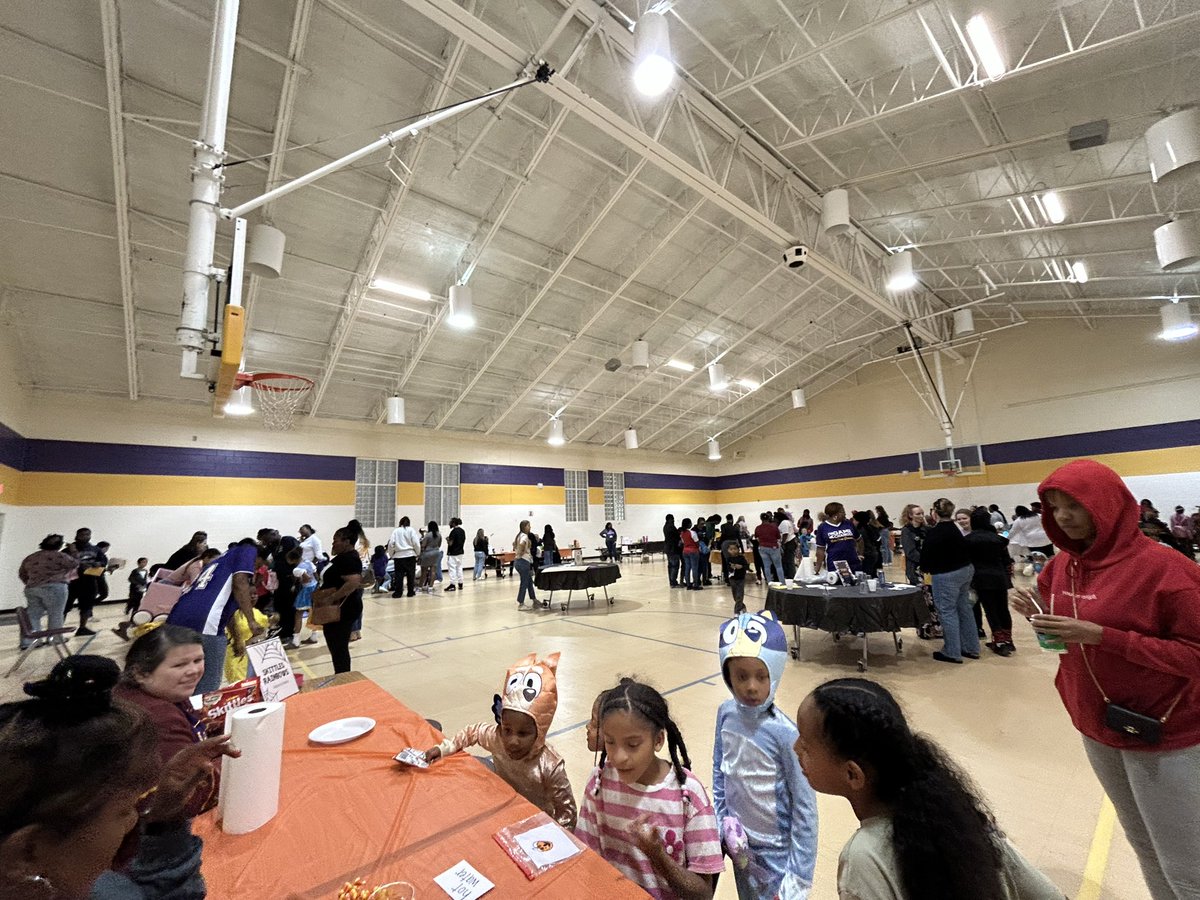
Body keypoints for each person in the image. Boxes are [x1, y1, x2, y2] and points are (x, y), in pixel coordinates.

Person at [1011, 460, 1200, 899]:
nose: (1063, 517)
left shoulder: (1167, 570)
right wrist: (1045, 625)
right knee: (1146, 850)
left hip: (1166, 732)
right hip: (1099, 725)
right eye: (1054, 507)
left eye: (1074, 505)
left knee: (1187, 866)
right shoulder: (1058, 569)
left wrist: (1104, 637)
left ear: (1108, 504)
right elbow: (1069, 643)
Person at [794, 678, 1064, 900]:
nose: (795, 749)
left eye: (805, 745)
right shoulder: (958, 814)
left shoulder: (864, 859)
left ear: (853, 774)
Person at [0, 655, 238, 900]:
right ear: (29, 850)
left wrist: (165, 818)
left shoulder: (89, 883)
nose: (134, 821)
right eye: (124, 810)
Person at [577, 678, 724, 899]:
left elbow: (703, 894)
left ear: (658, 740)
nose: (619, 757)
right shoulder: (600, 783)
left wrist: (657, 855)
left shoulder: (688, 796)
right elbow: (587, 860)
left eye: (633, 745)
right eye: (610, 742)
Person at [713, 612, 817, 898]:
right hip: (740, 846)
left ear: (776, 672)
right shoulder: (725, 714)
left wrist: (798, 878)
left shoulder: (785, 733)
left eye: (762, 676)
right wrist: (722, 821)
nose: (751, 687)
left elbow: (805, 808)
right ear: (727, 676)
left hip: (777, 854)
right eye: (741, 676)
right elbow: (720, 771)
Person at [425, 652, 576, 829]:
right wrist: (444, 748)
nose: (512, 741)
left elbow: (568, 812)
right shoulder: (497, 738)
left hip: (535, 821)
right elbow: (472, 732)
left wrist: (553, 839)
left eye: (523, 734)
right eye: (507, 730)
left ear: (539, 732)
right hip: (503, 807)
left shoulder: (551, 766)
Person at [166, 538, 264, 692]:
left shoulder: (217, 563)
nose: (255, 569)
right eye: (258, 565)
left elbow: (226, 612)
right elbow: (240, 582)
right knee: (208, 684)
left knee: (183, 675)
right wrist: (251, 621)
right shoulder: (247, 550)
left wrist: (237, 638)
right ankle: (199, 715)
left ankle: (181, 712)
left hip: (176, 618)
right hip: (204, 622)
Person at [921, 498, 977, 665]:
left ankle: (952, 651)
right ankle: (971, 647)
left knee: (947, 611)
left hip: (946, 574)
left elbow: (925, 560)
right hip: (965, 570)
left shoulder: (935, 532)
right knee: (964, 608)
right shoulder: (955, 528)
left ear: (934, 513)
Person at [312, 526, 365, 674]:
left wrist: (332, 598)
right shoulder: (342, 558)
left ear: (347, 542)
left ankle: (343, 677)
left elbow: (353, 582)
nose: (333, 544)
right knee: (336, 647)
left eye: (336, 541)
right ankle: (341, 674)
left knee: (339, 647)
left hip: (342, 610)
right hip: (336, 609)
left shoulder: (349, 559)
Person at [965, 508, 1015, 656]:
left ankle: (999, 641)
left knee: (991, 609)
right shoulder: (998, 539)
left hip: (981, 578)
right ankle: (1008, 640)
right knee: (1003, 609)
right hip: (999, 577)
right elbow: (1007, 560)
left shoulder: (968, 540)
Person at [18, 535, 78, 649]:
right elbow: (75, 564)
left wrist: (31, 583)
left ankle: (29, 641)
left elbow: (22, 573)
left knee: (33, 614)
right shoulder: (60, 556)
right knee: (55, 613)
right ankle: (55, 639)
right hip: (55, 587)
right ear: (60, 545)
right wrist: (73, 550)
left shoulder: (31, 557)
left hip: (32, 588)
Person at [64, 527, 102, 636]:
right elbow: (63, 562)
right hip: (72, 582)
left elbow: (103, 560)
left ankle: (82, 628)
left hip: (89, 580)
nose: (85, 536)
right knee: (65, 606)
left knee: (86, 606)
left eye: (88, 534)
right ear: (76, 536)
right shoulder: (68, 549)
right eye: (82, 534)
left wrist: (99, 563)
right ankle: (57, 630)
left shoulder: (95, 549)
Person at [814, 502, 861, 575]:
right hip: (835, 564)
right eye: (842, 512)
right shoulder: (822, 527)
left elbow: (859, 539)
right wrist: (817, 567)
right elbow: (820, 549)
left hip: (853, 563)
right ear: (835, 515)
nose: (845, 514)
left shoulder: (848, 523)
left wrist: (860, 553)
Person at [387, 516, 420, 598]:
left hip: (399, 556)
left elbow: (391, 544)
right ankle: (410, 592)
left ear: (400, 523)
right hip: (410, 555)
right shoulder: (411, 530)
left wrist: (391, 555)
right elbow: (416, 543)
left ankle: (398, 592)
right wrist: (417, 553)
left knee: (399, 575)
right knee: (411, 575)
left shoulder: (396, 531)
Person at [898, 504, 926, 586]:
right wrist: (924, 560)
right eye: (918, 514)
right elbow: (910, 552)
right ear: (910, 515)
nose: (921, 516)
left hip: (929, 567)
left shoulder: (926, 529)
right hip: (915, 567)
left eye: (922, 513)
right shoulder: (907, 531)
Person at [513, 520, 539, 608]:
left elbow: (514, 545)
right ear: (524, 527)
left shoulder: (519, 536)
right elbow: (521, 545)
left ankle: (534, 599)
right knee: (524, 582)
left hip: (520, 562)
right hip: (523, 561)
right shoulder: (524, 536)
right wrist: (520, 554)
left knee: (528, 581)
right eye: (528, 526)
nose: (530, 527)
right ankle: (520, 603)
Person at [754, 512, 785, 584]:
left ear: (761, 519)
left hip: (762, 548)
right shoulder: (774, 527)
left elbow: (756, 537)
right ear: (769, 518)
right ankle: (782, 582)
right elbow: (778, 537)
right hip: (773, 547)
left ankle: (769, 582)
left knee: (766, 566)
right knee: (778, 566)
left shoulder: (758, 528)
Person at [721, 539, 748, 614]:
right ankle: (742, 606)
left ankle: (737, 611)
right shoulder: (728, 559)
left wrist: (741, 566)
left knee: (740, 594)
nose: (733, 551)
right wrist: (731, 568)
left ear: (738, 549)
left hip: (741, 578)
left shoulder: (741, 558)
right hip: (732, 579)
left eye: (735, 549)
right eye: (731, 549)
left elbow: (747, 566)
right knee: (735, 596)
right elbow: (727, 568)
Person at [853, 510, 882, 577]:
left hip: (866, 555)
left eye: (854, 520)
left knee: (866, 575)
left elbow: (859, 543)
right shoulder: (870, 528)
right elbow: (877, 540)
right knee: (872, 574)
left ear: (858, 521)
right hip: (874, 553)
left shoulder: (860, 531)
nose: (853, 522)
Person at [418, 521, 441, 594]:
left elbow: (423, 545)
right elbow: (439, 544)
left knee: (424, 572)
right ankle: (430, 587)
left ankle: (420, 587)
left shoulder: (427, 535)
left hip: (427, 553)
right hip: (436, 552)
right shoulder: (439, 535)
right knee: (433, 571)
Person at [445, 518, 467, 592]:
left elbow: (450, 543)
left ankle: (452, 584)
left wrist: (448, 539)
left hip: (453, 553)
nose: (450, 524)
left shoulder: (453, 532)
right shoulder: (462, 531)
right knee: (459, 568)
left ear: (454, 523)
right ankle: (460, 583)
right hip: (460, 552)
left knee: (452, 569)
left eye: (451, 522)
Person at [778, 511, 798, 581]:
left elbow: (785, 534)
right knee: (789, 559)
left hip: (789, 542)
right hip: (792, 541)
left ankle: (791, 575)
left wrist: (782, 543)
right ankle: (790, 574)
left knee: (789, 560)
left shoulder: (784, 523)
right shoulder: (788, 521)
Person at [664, 514, 682, 588]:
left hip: (668, 548)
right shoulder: (671, 527)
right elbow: (676, 536)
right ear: (669, 519)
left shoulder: (665, 526)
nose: (674, 520)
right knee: (674, 566)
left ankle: (671, 581)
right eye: (672, 519)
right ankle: (673, 581)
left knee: (670, 566)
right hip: (673, 549)